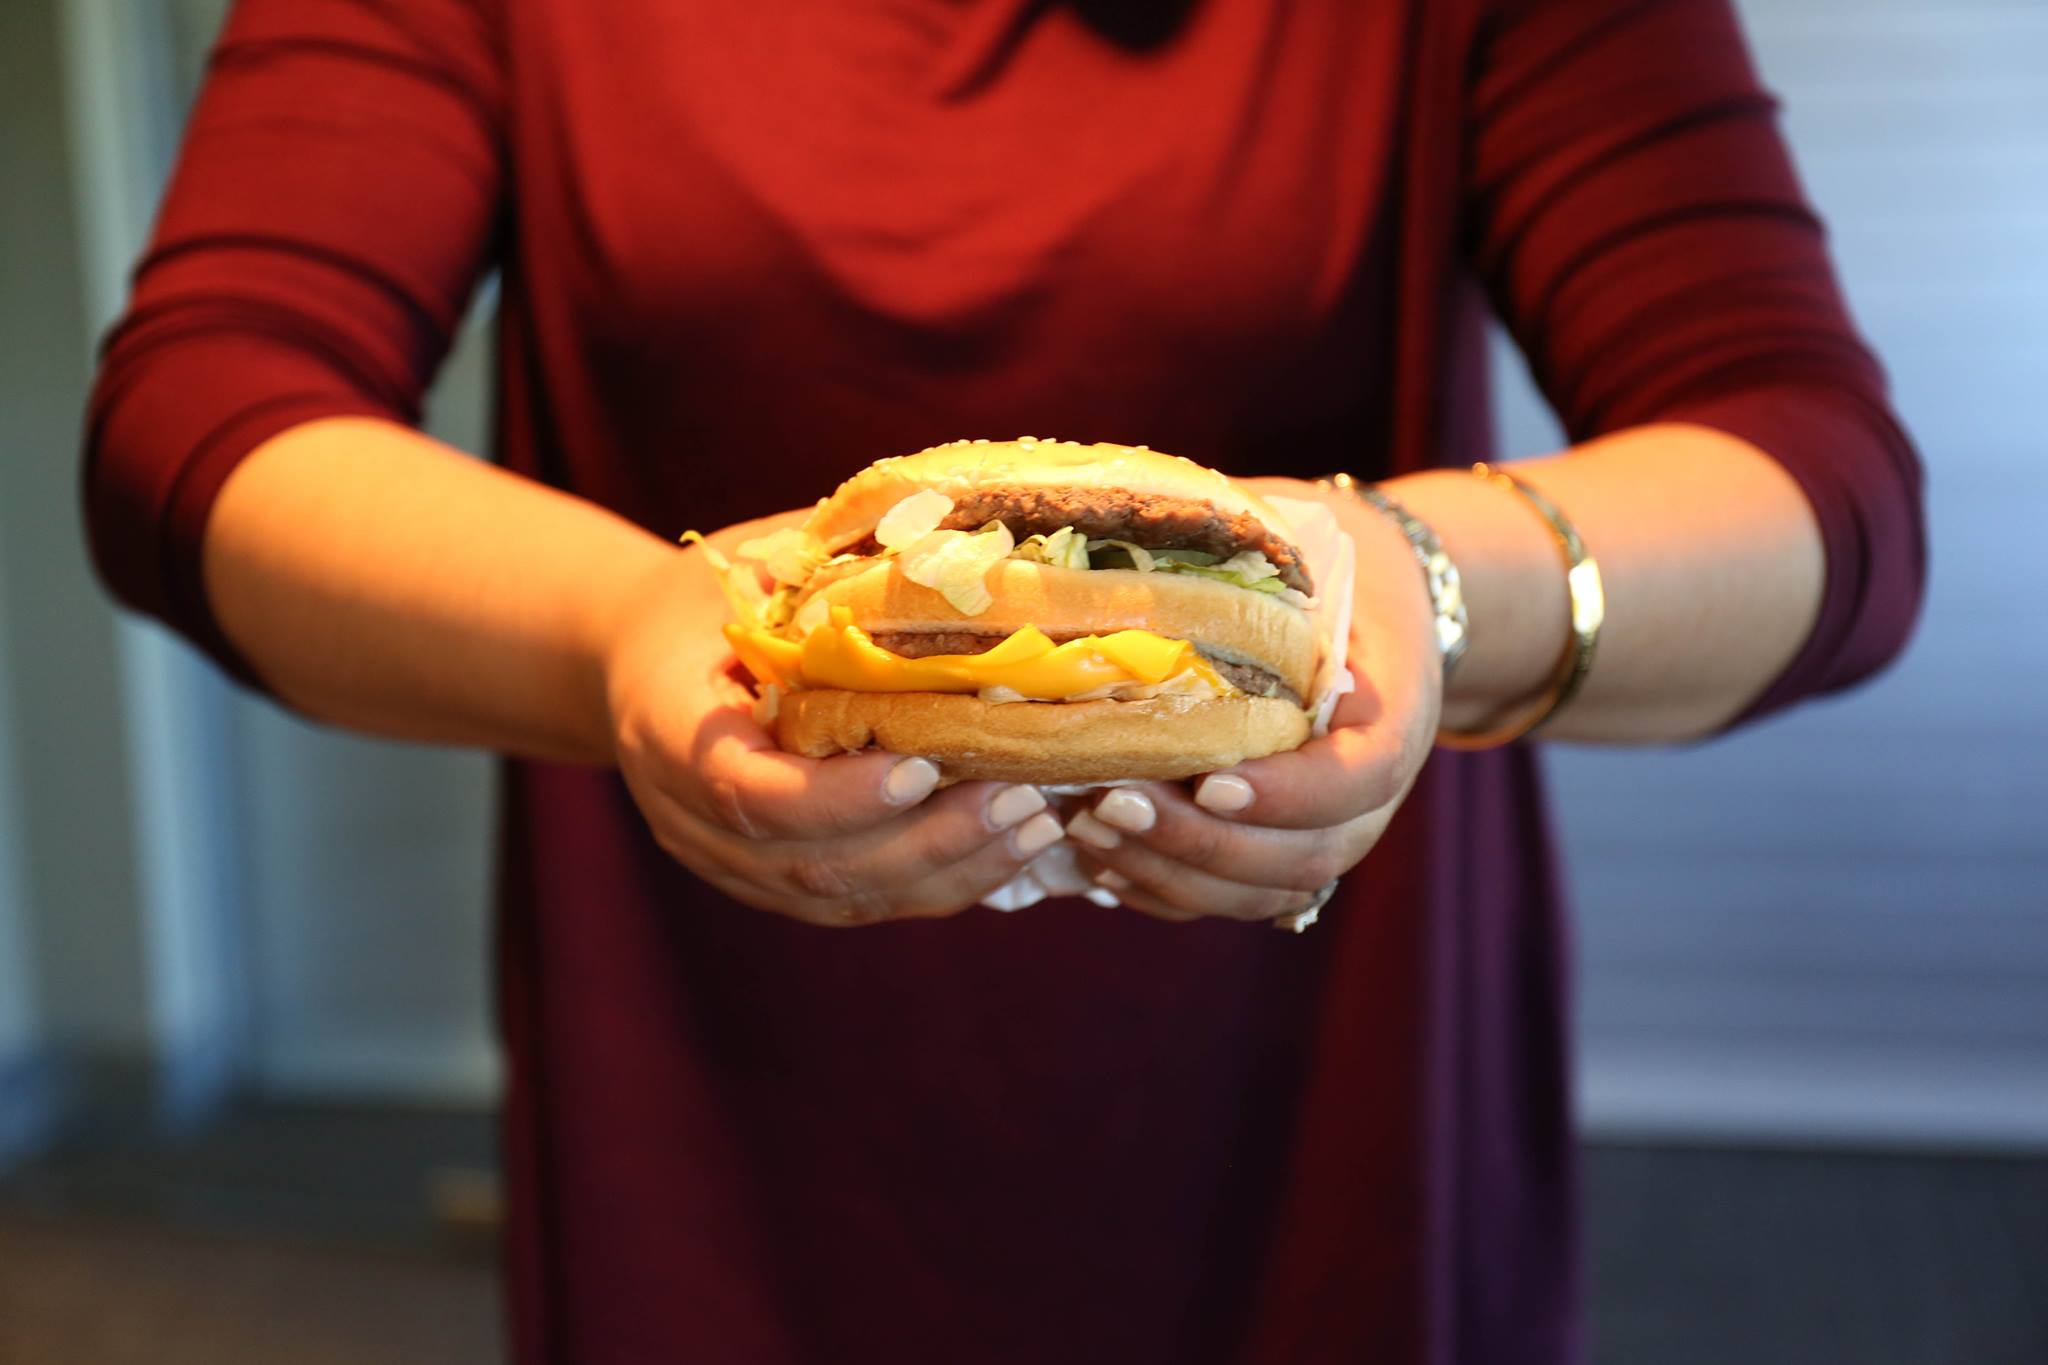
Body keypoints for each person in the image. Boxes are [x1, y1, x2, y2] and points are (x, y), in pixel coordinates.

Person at [82, 0, 1924, 1360]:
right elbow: (197, 418)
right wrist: (624, 628)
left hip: (1326, 1065)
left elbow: (1821, 490)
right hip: (716, 1066)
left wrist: (1417, 580)